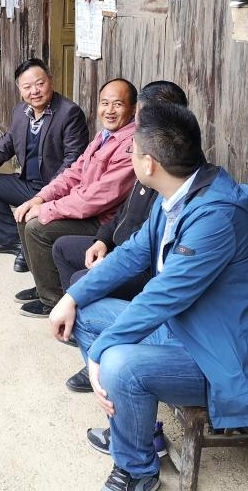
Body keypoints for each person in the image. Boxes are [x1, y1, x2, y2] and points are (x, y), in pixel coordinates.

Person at [48, 102, 248, 491]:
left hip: (219, 356)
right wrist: (71, 296)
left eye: (132, 150)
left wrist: (100, 353)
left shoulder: (215, 218)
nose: (130, 155)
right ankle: (132, 428)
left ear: (149, 164)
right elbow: (132, 254)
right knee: (84, 313)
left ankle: (138, 471)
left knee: (119, 363)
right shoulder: (176, 195)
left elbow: (162, 297)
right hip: (184, 330)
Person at [50, 81, 189, 394]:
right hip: (128, 252)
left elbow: (163, 277)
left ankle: (100, 352)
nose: (132, 133)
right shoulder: (153, 168)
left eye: (138, 120)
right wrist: (103, 241)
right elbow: (126, 219)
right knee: (68, 258)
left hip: (153, 281)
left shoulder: (175, 180)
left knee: (83, 284)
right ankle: (86, 335)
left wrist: (106, 267)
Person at [14, 78, 138, 318]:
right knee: (25, 214)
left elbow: (95, 199)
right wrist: (40, 198)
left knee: (37, 228)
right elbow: (74, 172)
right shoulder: (104, 135)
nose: (109, 110)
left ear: (133, 109)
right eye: (104, 103)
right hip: (86, 210)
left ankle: (53, 299)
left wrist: (48, 209)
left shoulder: (130, 145)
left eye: (118, 104)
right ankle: (44, 283)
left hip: (103, 221)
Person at [0, 59, 89, 272]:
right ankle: (14, 241)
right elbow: (3, 147)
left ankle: (31, 245)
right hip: (29, 185)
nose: (34, 91)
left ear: (50, 81)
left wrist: (45, 197)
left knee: (36, 210)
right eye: (27, 87)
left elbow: (73, 161)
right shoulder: (21, 111)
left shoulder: (69, 113)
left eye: (40, 84)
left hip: (57, 191)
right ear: (19, 89)